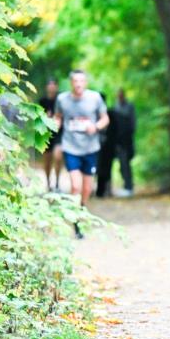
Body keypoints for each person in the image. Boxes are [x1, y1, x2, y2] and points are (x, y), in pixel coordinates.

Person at [54, 70, 109, 238]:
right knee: (75, 186)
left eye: (81, 81)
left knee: (87, 188)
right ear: (71, 83)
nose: (78, 84)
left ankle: (80, 209)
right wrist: (51, 126)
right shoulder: (62, 99)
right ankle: (76, 221)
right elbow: (58, 118)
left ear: (85, 83)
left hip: (90, 148)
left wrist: (96, 127)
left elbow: (105, 119)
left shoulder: (95, 98)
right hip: (70, 147)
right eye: (75, 81)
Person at [38, 79, 64, 192]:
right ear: (46, 87)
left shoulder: (61, 101)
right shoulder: (42, 101)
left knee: (58, 156)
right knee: (47, 160)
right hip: (45, 133)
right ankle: (48, 183)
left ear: (57, 87)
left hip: (58, 133)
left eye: (54, 85)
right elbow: (38, 118)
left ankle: (57, 182)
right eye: (50, 85)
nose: (52, 87)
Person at [110, 88, 136, 197]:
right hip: (117, 141)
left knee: (126, 164)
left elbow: (133, 125)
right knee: (122, 165)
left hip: (126, 142)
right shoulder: (115, 107)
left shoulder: (129, 107)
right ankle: (126, 186)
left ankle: (129, 187)